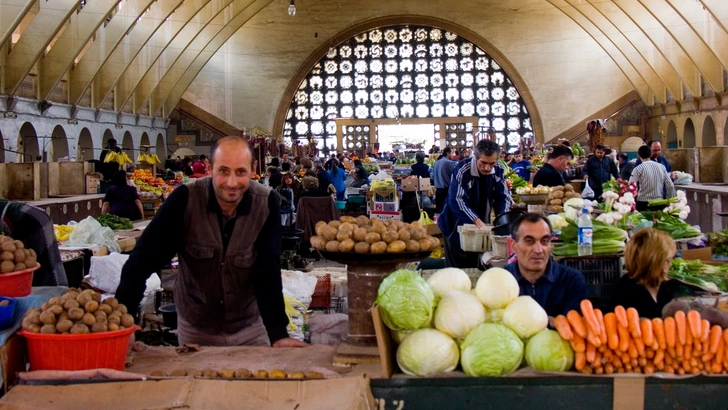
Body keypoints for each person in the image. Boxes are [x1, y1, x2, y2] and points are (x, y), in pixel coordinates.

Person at [115, 136, 306, 348]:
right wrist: (126, 322)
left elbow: (267, 270)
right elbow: (141, 261)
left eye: (240, 172)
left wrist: (278, 334)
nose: (232, 183)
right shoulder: (184, 200)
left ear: (253, 169)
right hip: (197, 328)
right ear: (209, 168)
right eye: (224, 171)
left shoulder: (266, 203)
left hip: (250, 327)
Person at [437, 139, 513, 268]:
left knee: (477, 262)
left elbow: (503, 197)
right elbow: (457, 200)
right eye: (483, 163)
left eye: (492, 164)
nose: (487, 168)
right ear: (475, 157)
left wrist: (502, 219)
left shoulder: (498, 170)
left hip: (480, 222)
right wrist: (476, 220)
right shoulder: (463, 169)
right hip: (454, 223)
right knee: (458, 265)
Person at [504, 213, 588, 317]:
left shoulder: (571, 280)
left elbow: (574, 327)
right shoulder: (502, 282)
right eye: (529, 241)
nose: (539, 250)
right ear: (514, 246)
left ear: (550, 245)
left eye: (544, 241)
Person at [608, 228, 677, 319]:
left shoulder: (662, 286)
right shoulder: (627, 294)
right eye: (667, 261)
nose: (669, 265)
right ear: (652, 262)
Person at [630, 145, 676, 211]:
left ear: (639, 155)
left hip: (643, 203)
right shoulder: (661, 167)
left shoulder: (638, 169)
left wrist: (631, 202)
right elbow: (670, 185)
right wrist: (669, 201)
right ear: (651, 154)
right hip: (659, 202)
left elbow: (631, 186)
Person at [432, 147, 458, 212]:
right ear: (448, 153)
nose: (453, 155)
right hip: (446, 191)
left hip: (437, 191)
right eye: (452, 153)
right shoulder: (449, 163)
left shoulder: (436, 163)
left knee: (439, 212)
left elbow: (432, 177)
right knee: (446, 212)